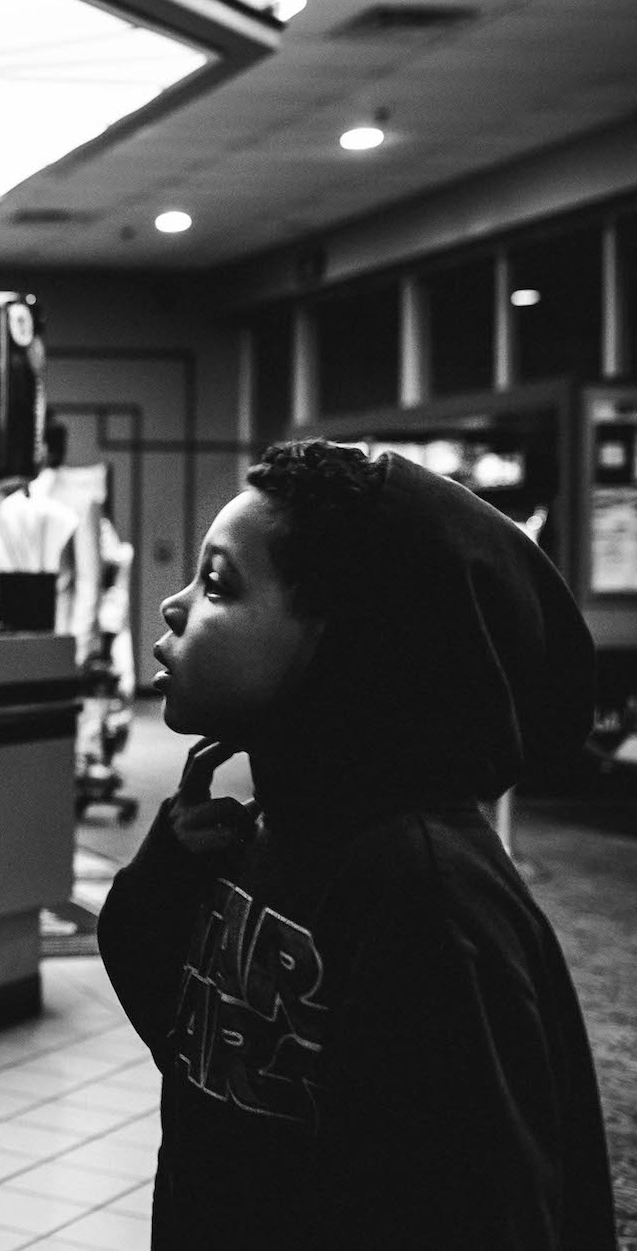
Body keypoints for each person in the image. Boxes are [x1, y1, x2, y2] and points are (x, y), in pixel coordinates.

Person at [97, 438, 616, 1249]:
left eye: (219, 583)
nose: (175, 605)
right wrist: (167, 869)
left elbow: (484, 1205)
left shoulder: (430, 895)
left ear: (346, 638)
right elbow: (198, 1045)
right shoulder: (271, 823)